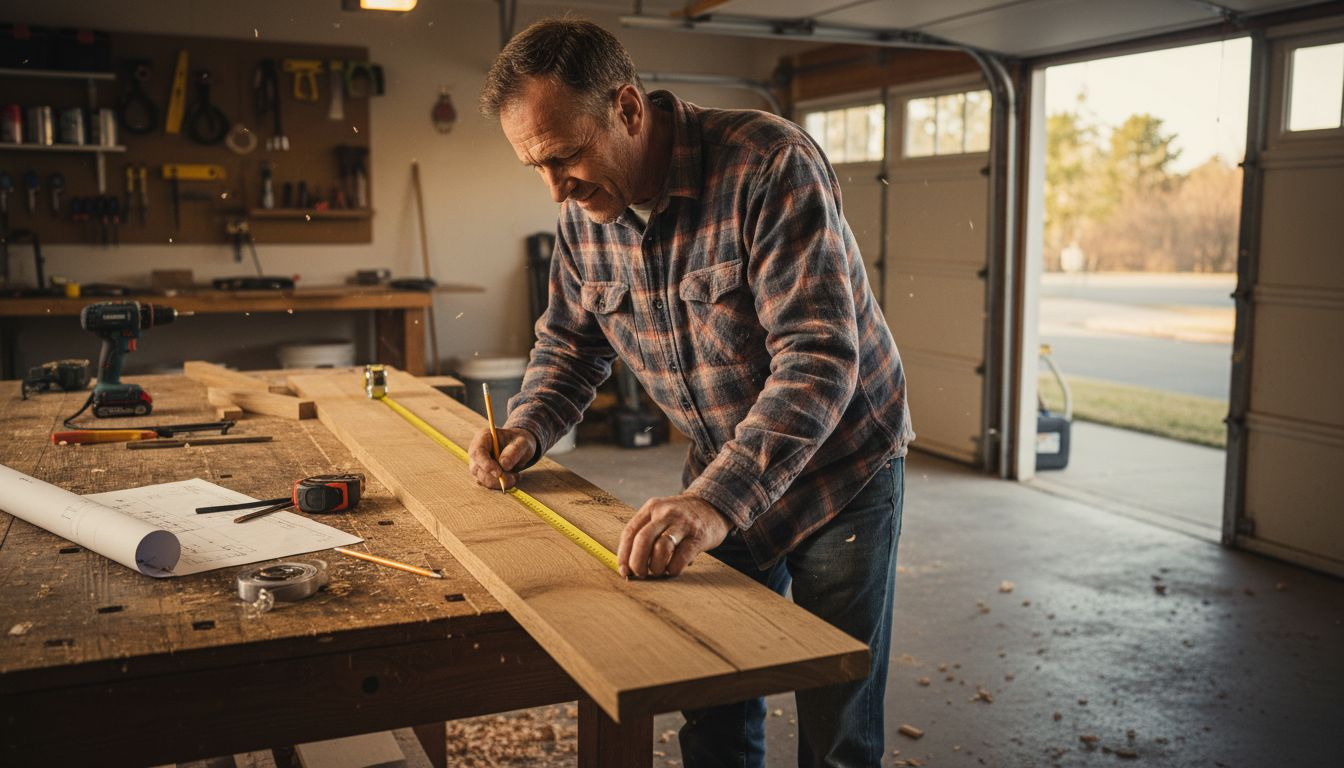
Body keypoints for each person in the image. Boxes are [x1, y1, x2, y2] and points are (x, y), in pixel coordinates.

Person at [471, 17, 914, 768]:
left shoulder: (768, 163)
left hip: (839, 472)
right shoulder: (585, 215)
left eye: (567, 156)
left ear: (629, 108)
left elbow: (817, 356)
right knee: (708, 693)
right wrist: (529, 426)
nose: (556, 189)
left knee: (837, 720)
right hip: (722, 456)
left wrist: (713, 503)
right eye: (534, 169)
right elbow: (570, 343)